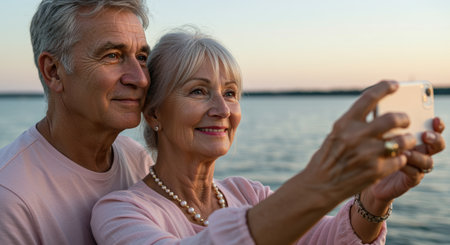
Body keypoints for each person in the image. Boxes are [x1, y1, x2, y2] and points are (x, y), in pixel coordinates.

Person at [91, 29, 445, 244]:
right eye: (198, 92)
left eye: (230, 93)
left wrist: (374, 197)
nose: (222, 109)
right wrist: (323, 180)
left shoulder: (248, 193)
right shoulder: (120, 213)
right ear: (154, 113)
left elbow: (330, 240)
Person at [0, 1, 153, 244]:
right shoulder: (10, 196)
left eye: (142, 57)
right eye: (113, 56)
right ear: (53, 71)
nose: (141, 78)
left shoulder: (137, 159)